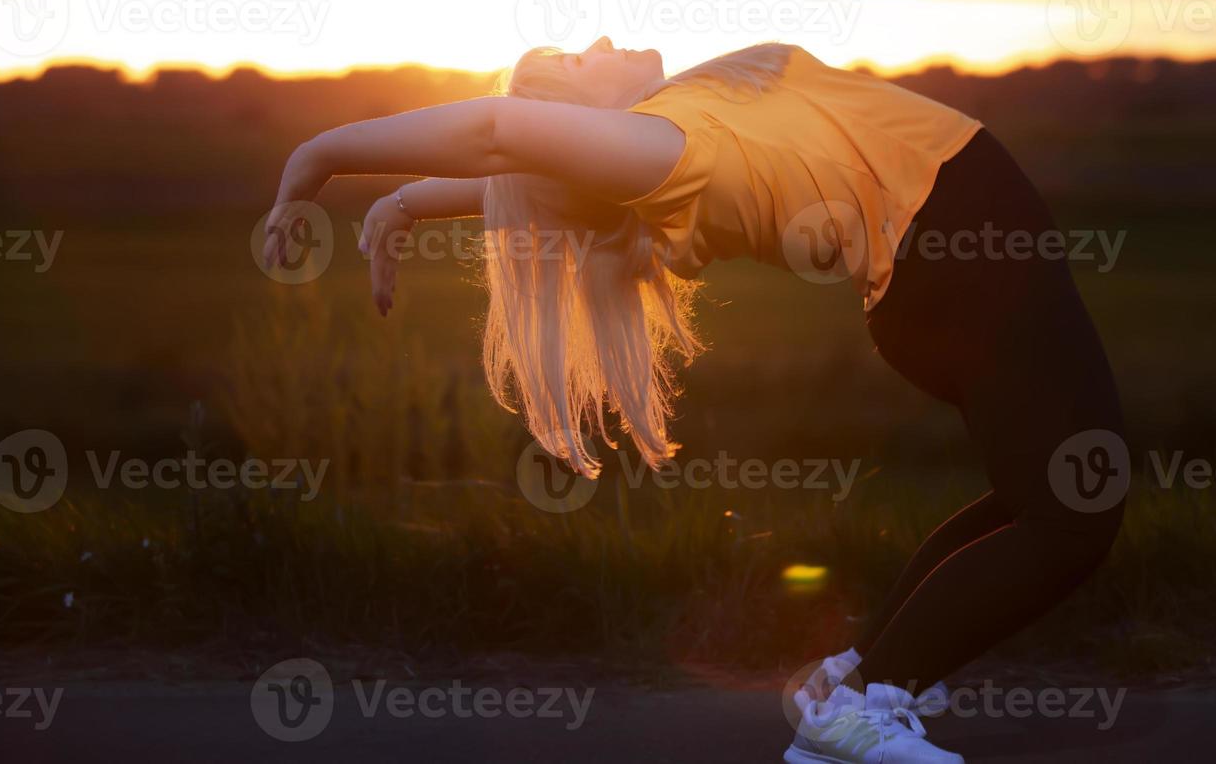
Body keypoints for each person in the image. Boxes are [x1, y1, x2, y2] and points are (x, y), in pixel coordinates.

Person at [265, 38, 1127, 764]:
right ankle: (854, 711)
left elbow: (534, 181)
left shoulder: (691, 108)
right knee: (1072, 512)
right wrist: (319, 158)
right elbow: (501, 137)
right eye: (577, 58)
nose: (601, 43)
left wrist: (411, 201)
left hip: (952, 253)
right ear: (590, 125)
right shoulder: (669, 144)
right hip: (953, 259)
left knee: (1038, 501)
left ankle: (855, 679)